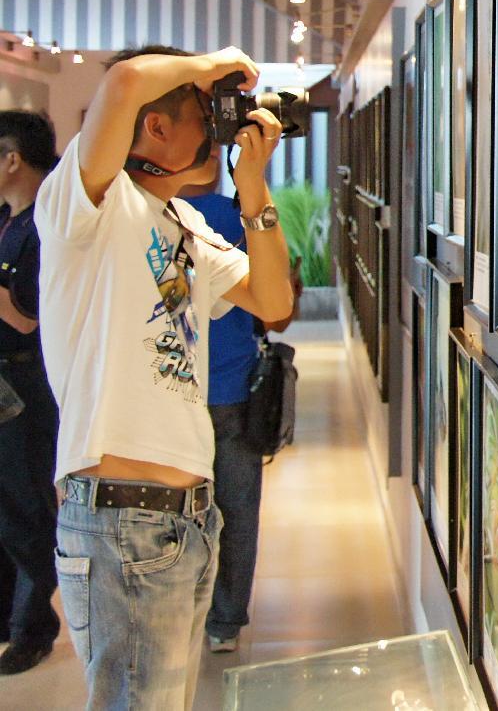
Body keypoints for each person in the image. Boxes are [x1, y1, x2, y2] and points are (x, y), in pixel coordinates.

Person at [34, 46, 293, 710]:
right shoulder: (87, 205)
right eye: (204, 115)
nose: (215, 130)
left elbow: (273, 301)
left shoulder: (185, 222)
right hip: (123, 519)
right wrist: (208, 64)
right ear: (153, 128)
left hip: (184, 522)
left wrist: (255, 190)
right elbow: (122, 81)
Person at [183, 181, 301, 653]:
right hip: (232, 384)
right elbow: (277, 316)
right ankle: (225, 621)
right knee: (237, 507)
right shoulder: (240, 216)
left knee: (171, 514)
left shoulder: (145, 212)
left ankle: (182, 610)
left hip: (172, 392)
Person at [0, 111, 60, 676]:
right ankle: (9, 619)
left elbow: (33, 321)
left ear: (13, 158)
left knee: (26, 509)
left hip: (27, 382)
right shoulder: (5, 218)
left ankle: (32, 627)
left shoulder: (47, 223)